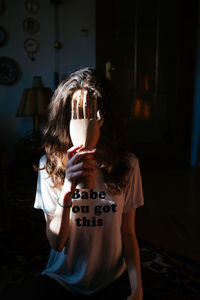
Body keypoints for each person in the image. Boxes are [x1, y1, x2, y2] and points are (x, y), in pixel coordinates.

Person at [3, 67, 144, 299]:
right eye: (77, 113)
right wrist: (67, 189)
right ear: (64, 118)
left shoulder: (128, 165)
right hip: (62, 280)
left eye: (91, 112)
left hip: (111, 279)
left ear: (104, 118)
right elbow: (56, 243)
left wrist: (137, 289)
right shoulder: (49, 166)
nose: (86, 120)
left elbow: (128, 234)